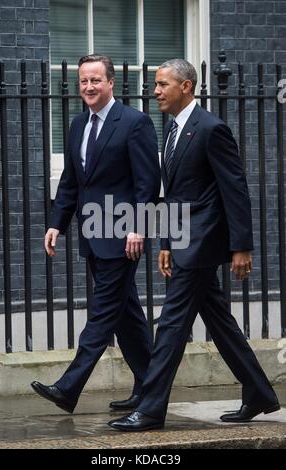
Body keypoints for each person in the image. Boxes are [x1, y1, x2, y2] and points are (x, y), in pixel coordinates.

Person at [108, 59, 280, 432]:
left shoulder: (211, 129)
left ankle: (151, 409)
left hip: (203, 242)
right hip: (184, 240)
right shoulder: (171, 130)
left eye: (162, 84)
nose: (155, 91)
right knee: (220, 322)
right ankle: (258, 392)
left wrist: (241, 247)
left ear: (186, 87)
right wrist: (167, 241)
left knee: (170, 325)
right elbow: (175, 195)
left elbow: (235, 190)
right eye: (155, 84)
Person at [31, 54, 160, 413]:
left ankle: (68, 388)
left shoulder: (134, 122)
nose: (88, 87)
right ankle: (151, 388)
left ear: (111, 83)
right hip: (93, 235)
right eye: (84, 81)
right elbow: (71, 182)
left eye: (95, 80)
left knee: (103, 312)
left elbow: (147, 183)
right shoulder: (77, 125)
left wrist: (138, 226)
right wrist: (58, 222)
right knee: (126, 315)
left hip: (123, 236)